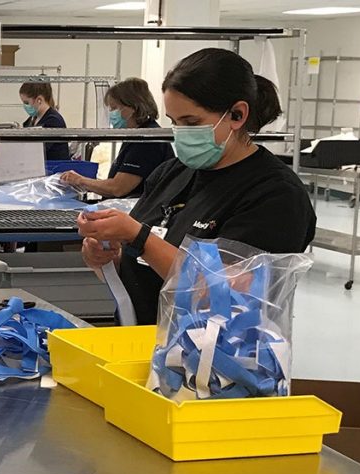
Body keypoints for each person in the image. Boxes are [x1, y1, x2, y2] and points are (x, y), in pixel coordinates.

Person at [78, 48, 315, 361]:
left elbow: (221, 294)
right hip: (142, 348)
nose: (181, 134)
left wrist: (139, 237)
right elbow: (142, 269)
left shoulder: (276, 196)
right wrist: (105, 257)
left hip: (217, 367)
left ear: (237, 115)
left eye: (192, 122)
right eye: (175, 122)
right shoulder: (172, 174)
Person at [61, 77, 174, 198]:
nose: (111, 114)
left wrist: (80, 180)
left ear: (133, 108)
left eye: (114, 108)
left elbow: (118, 188)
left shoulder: (147, 140)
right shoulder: (135, 136)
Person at [20, 82, 70, 160]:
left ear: (39, 100)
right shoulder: (32, 120)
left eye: (26, 102)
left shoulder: (54, 121)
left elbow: (38, 150)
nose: (25, 106)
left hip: (55, 168)